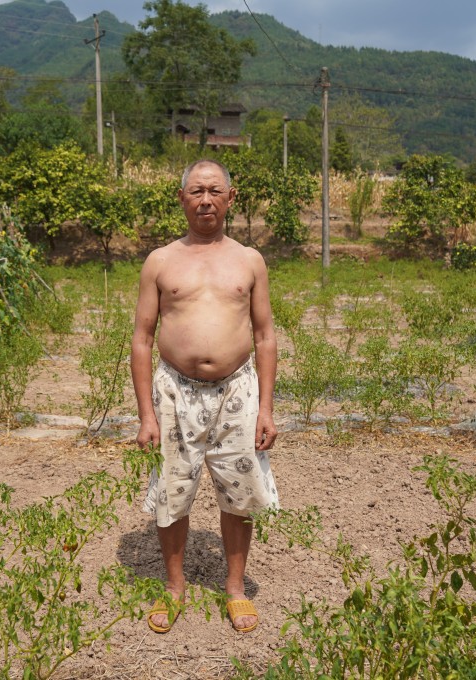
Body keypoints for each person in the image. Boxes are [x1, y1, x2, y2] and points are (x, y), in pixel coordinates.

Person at [131, 159, 280, 634]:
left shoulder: (249, 260)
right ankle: (174, 588)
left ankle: (234, 589)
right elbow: (141, 338)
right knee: (172, 493)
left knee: (238, 493)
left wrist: (267, 408)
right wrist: (146, 415)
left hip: (237, 390)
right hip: (174, 390)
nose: (205, 200)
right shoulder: (160, 260)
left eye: (215, 191)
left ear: (230, 198)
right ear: (182, 199)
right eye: (196, 191)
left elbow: (265, 336)